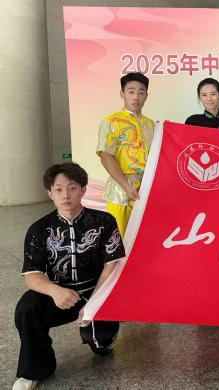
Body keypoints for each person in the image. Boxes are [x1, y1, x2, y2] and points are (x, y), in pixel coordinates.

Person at [13, 163, 125, 390]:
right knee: (27, 307)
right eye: (58, 189)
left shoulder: (104, 221)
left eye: (72, 188)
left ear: (83, 190)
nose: (65, 195)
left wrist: (94, 302)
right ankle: (34, 370)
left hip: (97, 290)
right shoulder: (39, 229)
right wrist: (55, 291)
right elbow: (32, 276)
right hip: (61, 294)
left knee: (101, 344)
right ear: (50, 193)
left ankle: (101, 338)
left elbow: (111, 264)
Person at [97, 72, 154, 237]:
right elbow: (106, 156)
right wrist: (126, 186)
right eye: (131, 91)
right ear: (122, 94)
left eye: (141, 92)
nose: (136, 97)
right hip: (120, 191)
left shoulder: (151, 124)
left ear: (146, 95)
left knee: (143, 238)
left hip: (145, 190)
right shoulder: (111, 121)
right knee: (118, 239)